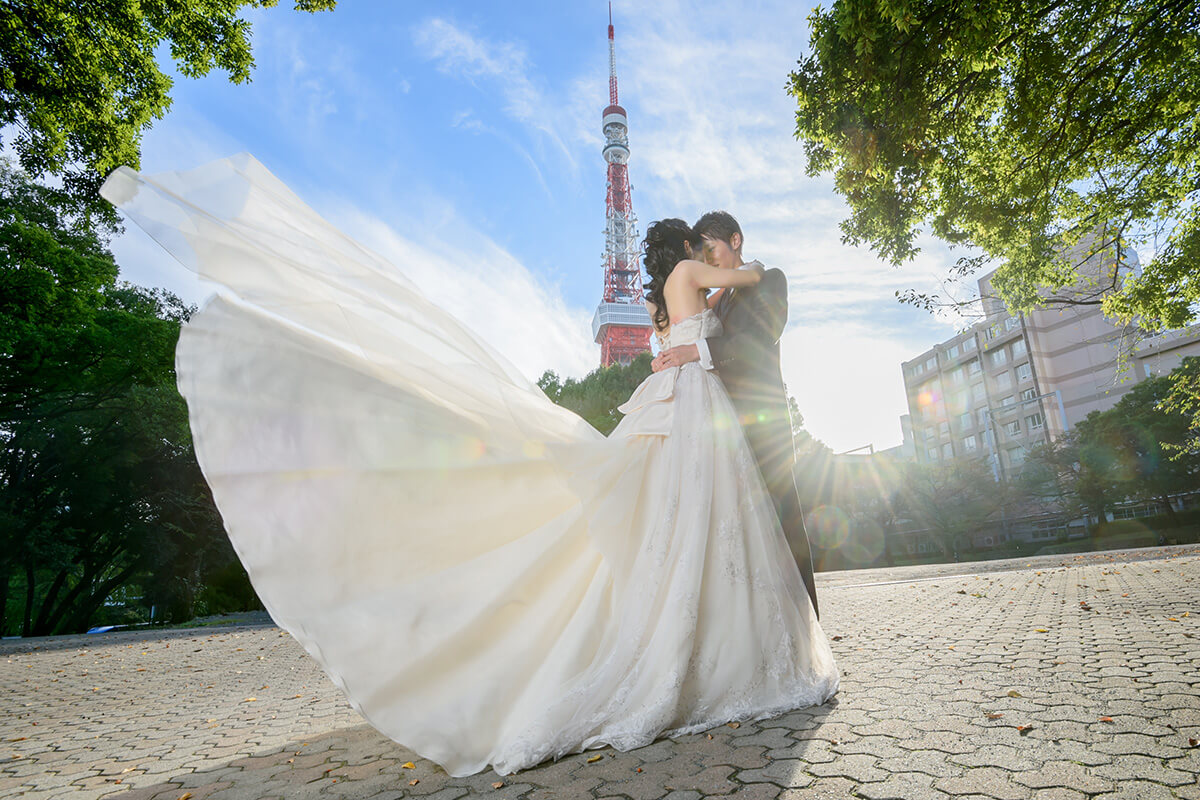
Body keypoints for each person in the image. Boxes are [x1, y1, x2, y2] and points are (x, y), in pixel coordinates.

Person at [99, 154, 839, 778]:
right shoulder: (698, 274)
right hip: (694, 407)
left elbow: (682, 337)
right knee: (694, 519)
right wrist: (731, 277)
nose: (713, 258)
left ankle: (696, 637)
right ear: (690, 245)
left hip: (684, 405)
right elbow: (725, 301)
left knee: (682, 525)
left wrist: (690, 338)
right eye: (704, 247)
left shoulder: (671, 290)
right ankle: (714, 652)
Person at [652, 211, 820, 618]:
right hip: (718, 433)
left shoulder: (771, 279)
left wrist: (697, 351)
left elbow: (759, 339)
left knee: (785, 534)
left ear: (736, 240)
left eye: (712, 250)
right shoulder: (712, 296)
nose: (709, 262)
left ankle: (808, 630)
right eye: (702, 254)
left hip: (763, 432)